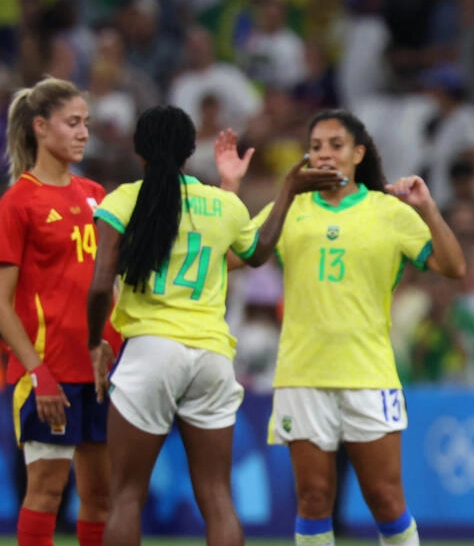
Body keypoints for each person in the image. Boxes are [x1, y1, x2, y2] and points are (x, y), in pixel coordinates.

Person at [84, 105, 342, 546]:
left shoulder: (124, 199)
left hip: (149, 352)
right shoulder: (222, 204)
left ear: (139, 150)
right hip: (211, 356)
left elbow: (99, 285)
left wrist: (95, 344)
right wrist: (287, 192)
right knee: (218, 497)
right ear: (190, 151)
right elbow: (259, 252)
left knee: (126, 497)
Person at [254, 109, 466, 546]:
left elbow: (453, 266)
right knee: (313, 498)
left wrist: (427, 208)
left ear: (358, 153)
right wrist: (270, 193)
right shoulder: (289, 209)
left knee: (385, 499)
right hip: (303, 374)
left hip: (368, 374)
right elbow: (242, 254)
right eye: (315, 147)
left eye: (335, 145)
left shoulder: (387, 210)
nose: (324, 155)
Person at [0, 76, 121, 546]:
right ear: (41, 127)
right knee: (45, 492)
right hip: (50, 371)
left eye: (85, 122)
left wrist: (113, 341)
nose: (84, 132)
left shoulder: (96, 195)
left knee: (101, 497)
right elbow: (0, 303)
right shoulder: (17, 203)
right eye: (73, 122)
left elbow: (111, 283)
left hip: (99, 369)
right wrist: (37, 372)